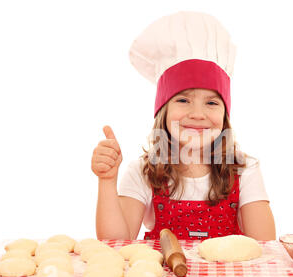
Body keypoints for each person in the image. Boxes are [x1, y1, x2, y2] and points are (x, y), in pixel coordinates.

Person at [91, 11, 276, 241]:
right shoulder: (143, 172)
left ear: (225, 114)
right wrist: (107, 181)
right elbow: (115, 244)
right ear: (163, 111)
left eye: (211, 102)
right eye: (183, 100)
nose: (197, 114)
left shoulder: (244, 169)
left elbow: (266, 248)